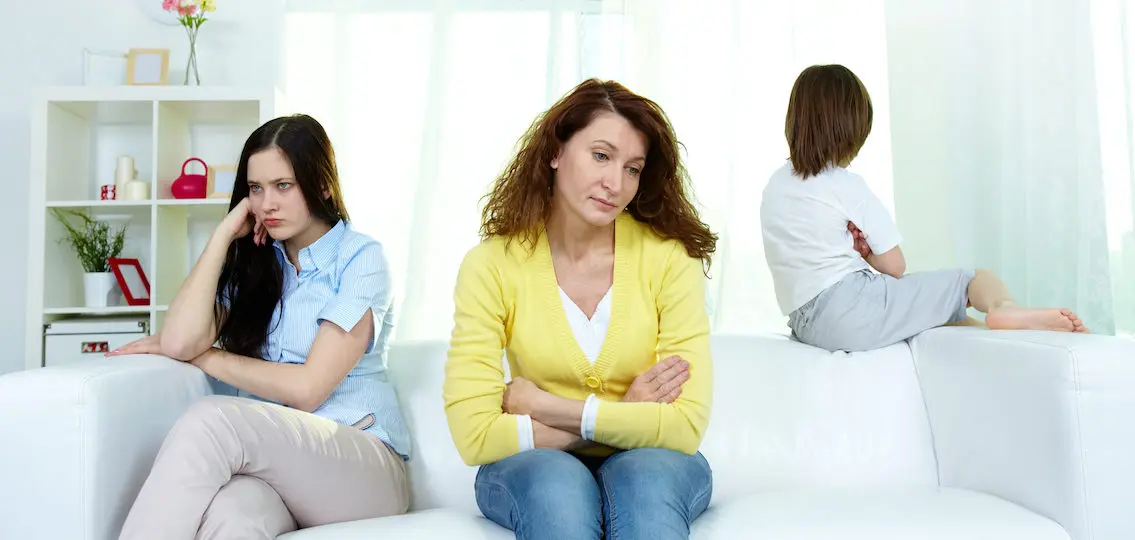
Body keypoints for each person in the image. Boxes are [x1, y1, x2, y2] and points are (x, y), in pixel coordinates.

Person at [107, 114, 411, 540]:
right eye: (255, 189)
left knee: (213, 422)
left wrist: (210, 356)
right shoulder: (258, 266)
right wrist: (222, 237)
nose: (266, 204)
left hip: (363, 465)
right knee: (232, 515)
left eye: (283, 186)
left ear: (321, 185)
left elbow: (308, 390)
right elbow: (177, 341)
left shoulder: (361, 258)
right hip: (283, 473)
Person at [443, 78, 717, 540]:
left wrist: (542, 406)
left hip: (655, 461)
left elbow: (684, 427)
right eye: (601, 156)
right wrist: (623, 411)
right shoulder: (491, 265)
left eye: (633, 168)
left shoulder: (669, 260)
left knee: (646, 485)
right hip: (535, 466)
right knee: (557, 490)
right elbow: (475, 434)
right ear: (555, 151)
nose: (616, 183)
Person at [760, 64, 1089, 353]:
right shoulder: (846, 185)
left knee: (934, 315)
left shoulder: (775, 186)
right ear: (850, 132)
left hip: (805, 322)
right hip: (851, 309)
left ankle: (1007, 336)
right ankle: (1006, 309)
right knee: (967, 282)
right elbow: (896, 267)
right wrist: (867, 254)